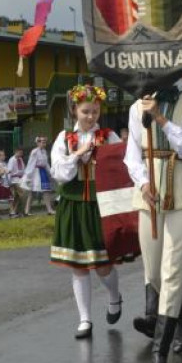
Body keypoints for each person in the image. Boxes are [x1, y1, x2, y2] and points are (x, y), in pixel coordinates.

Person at [124, 72, 182, 363]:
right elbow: (132, 152)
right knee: (155, 272)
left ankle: (160, 352)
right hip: (150, 190)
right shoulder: (137, 107)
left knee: (174, 270)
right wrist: (142, 181)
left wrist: (160, 118)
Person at [50, 84, 124, 339]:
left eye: (94, 111)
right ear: (74, 111)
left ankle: (114, 296)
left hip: (100, 205)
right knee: (78, 266)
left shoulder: (108, 136)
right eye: (85, 111)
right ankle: (85, 319)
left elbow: (123, 165)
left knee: (103, 265)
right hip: (73, 204)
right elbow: (59, 173)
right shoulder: (63, 138)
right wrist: (76, 156)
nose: (90, 116)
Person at [23, 137, 56, 216]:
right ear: (38, 143)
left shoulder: (44, 151)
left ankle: (49, 209)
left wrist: (51, 172)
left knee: (46, 190)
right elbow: (31, 163)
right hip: (36, 173)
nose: (44, 144)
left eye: (45, 142)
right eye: (42, 142)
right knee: (32, 192)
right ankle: (26, 211)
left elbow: (46, 163)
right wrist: (28, 176)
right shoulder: (34, 151)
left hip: (43, 172)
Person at [6, 147, 27, 218]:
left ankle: (15, 211)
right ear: (16, 152)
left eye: (22, 153)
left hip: (20, 179)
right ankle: (20, 211)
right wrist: (9, 182)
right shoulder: (12, 160)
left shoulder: (20, 159)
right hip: (14, 180)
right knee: (23, 194)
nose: (21, 154)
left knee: (17, 197)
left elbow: (23, 169)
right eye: (20, 152)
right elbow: (9, 171)